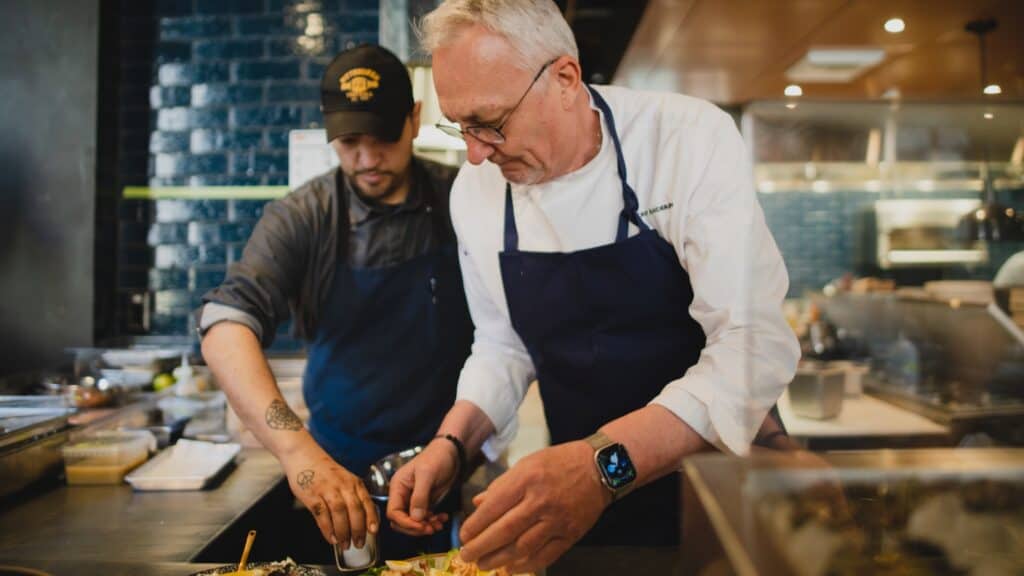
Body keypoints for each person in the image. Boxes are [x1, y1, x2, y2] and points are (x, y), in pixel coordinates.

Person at [385, 1, 801, 572]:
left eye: (490, 122)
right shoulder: (476, 192)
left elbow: (752, 343)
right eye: (460, 127)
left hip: (715, 480)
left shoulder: (685, 139)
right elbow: (503, 345)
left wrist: (602, 466)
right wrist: (451, 444)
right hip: (579, 499)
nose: (476, 154)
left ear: (564, 79)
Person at [198, 44, 474, 560]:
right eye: (349, 142)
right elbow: (224, 323)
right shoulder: (303, 216)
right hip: (336, 469)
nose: (367, 159)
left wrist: (464, 450)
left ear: (415, 119)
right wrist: (297, 452)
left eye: (384, 138)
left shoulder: (463, 199)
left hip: (441, 460)